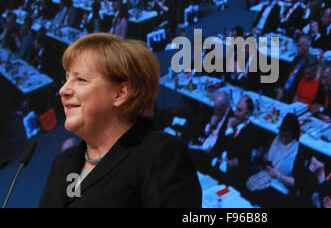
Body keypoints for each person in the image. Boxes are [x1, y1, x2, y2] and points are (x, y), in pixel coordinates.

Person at [39, 33, 201, 207]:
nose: (63, 90)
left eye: (80, 79)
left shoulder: (161, 154)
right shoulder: (63, 163)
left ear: (120, 93)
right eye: (66, 79)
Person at [245, 114, 307, 207]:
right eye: (283, 135)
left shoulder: (298, 153)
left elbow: (296, 183)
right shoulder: (276, 139)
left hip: (280, 186)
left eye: (287, 136)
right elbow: (264, 159)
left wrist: (278, 175)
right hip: (265, 177)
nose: (284, 139)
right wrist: (265, 165)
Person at [210, 96, 255, 189]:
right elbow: (218, 145)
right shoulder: (230, 121)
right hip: (218, 165)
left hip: (233, 175)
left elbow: (232, 151)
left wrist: (230, 129)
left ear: (248, 114)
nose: (235, 113)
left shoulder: (250, 132)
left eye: (239, 110)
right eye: (236, 109)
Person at [276, 34, 316, 103]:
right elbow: (287, 75)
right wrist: (281, 88)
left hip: (294, 95)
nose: (297, 48)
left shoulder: (311, 63)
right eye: (297, 45)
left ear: (306, 47)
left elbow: (304, 85)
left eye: (299, 45)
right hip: (284, 90)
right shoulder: (297, 58)